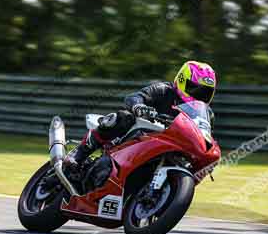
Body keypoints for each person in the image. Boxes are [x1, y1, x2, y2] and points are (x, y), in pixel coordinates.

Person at [63, 60, 217, 172]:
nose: (199, 95)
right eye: (195, 89)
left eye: (205, 93)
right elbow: (134, 97)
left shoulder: (206, 114)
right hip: (141, 135)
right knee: (123, 117)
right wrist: (139, 107)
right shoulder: (164, 90)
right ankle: (80, 152)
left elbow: (204, 136)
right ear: (182, 80)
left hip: (171, 148)